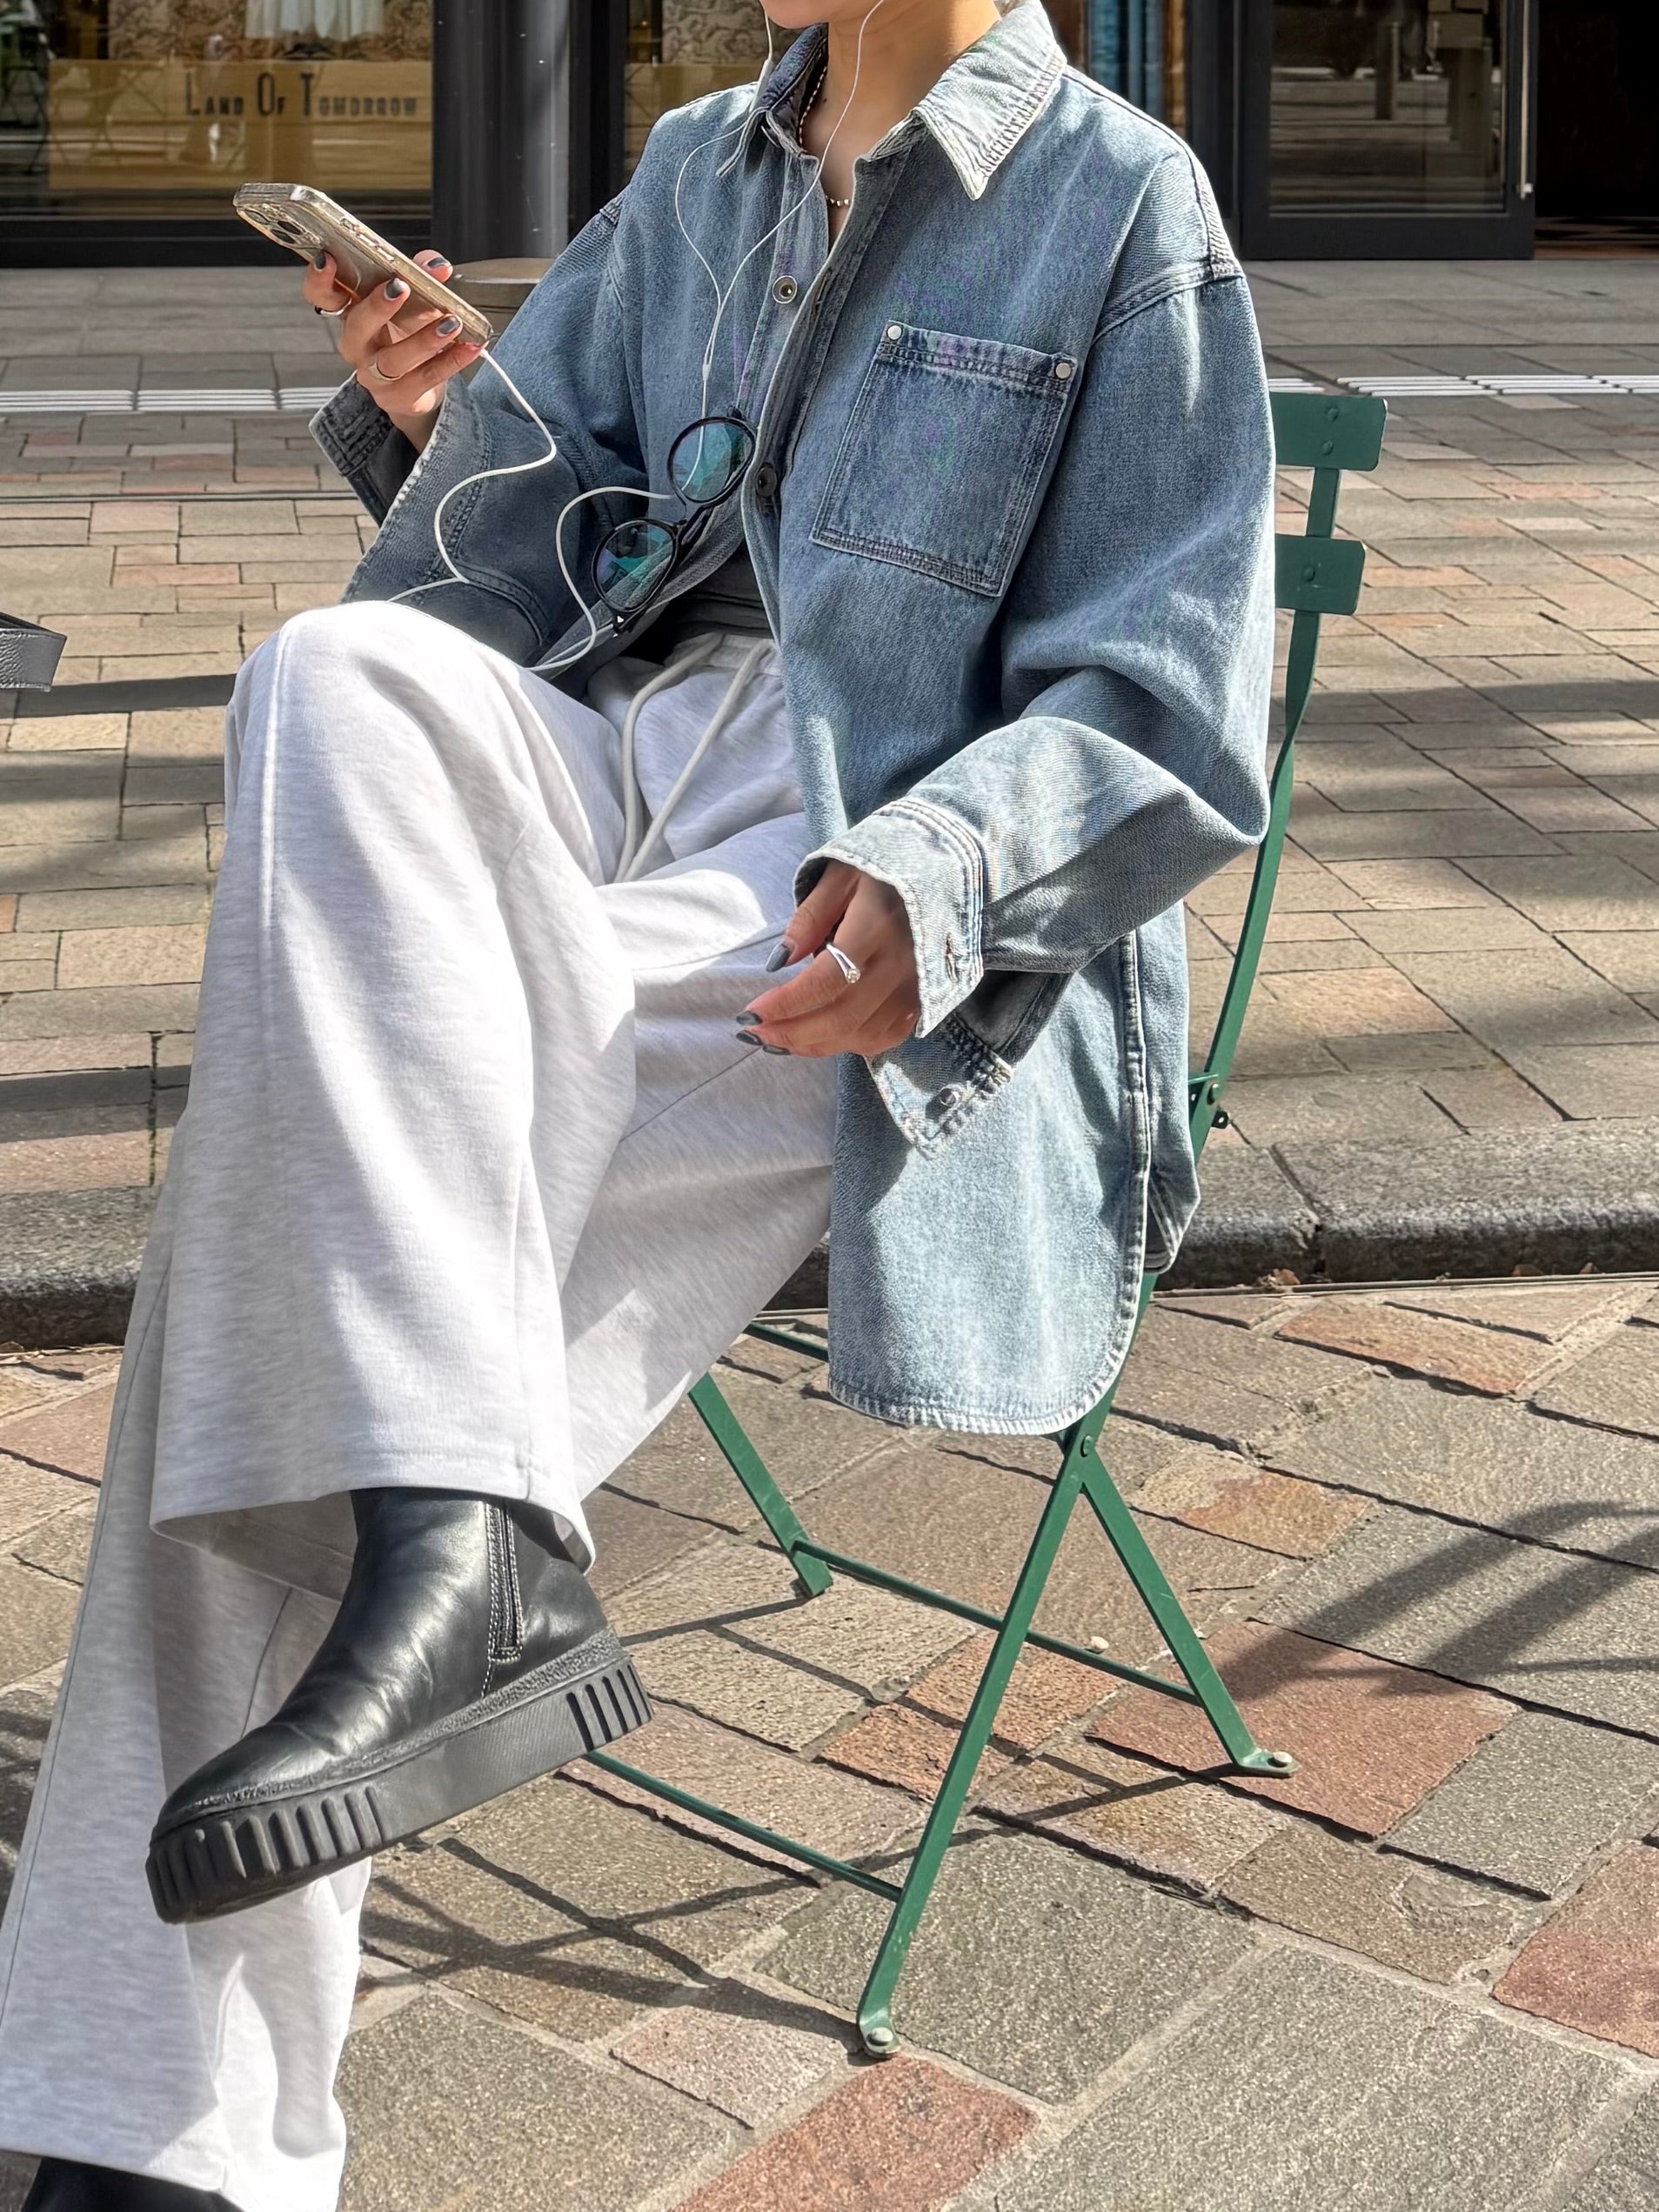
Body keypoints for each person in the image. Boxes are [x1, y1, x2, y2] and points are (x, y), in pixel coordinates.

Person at [0, 0, 1275, 2203]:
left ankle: (159, 2128)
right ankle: (462, 1541)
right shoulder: (699, 173)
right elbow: (545, 565)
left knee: (288, 1241)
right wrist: (447, 427)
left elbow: (1167, 705)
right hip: (602, 779)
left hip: (855, 895)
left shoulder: (1115, 205)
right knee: (334, 671)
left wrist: (948, 876)